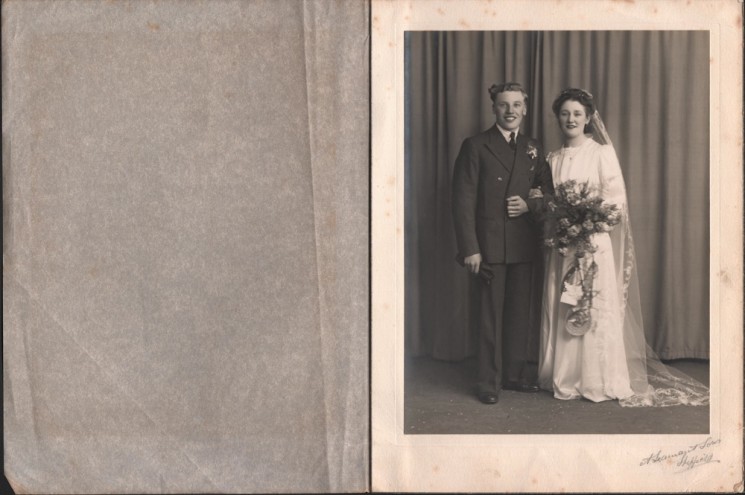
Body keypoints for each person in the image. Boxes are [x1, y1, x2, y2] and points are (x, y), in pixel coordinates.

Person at [537, 88, 709, 406]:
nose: (571, 119)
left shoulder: (600, 153)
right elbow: (550, 204)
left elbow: (616, 202)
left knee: (593, 305)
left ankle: (596, 379)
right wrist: (561, 228)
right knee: (565, 304)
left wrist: (588, 228)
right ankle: (567, 377)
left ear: (588, 118)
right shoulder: (553, 159)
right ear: (557, 117)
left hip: (593, 243)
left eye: (577, 113)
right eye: (564, 113)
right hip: (565, 246)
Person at [451, 82, 554, 405]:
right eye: (503, 105)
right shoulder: (476, 145)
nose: (510, 111)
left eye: (516, 105)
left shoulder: (533, 148)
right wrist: (470, 247)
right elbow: (462, 200)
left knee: (518, 315)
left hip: (524, 244)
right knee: (489, 316)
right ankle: (487, 382)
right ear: (494, 108)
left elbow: (549, 195)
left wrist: (529, 205)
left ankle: (513, 375)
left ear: (525, 109)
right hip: (489, 245)